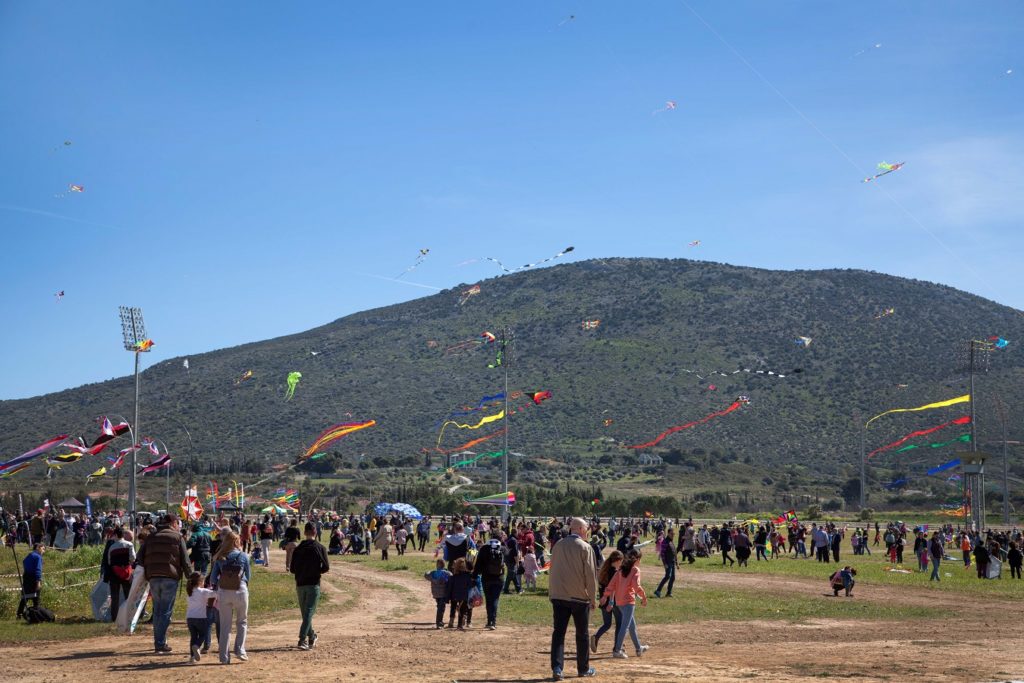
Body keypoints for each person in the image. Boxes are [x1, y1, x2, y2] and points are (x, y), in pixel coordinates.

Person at [548, 517, 597, 680]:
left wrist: (552, 592)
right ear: (582, 530)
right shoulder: (585, 547)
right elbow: (590, 575)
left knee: (558, 633)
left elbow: (552, 569)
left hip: (559, 595)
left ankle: (557, 668)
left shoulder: (558, 546)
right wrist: (593, 597)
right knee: (582, 634)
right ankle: (583, 669)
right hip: (579, 597)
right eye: (586, 529)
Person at [136, 512, 191, 654]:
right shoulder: (178, 537)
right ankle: (160, 643)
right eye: (177, 523)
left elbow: (139, 557)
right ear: (173, 523)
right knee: (165, 612)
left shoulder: (150, 537)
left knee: (158, 610)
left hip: (153, 577)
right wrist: (191, 578)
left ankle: (159, 642)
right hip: (170, 576)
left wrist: (146, 570)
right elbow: (185, 560)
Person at [211, 529, 251, 664]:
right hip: (240, 590)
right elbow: (248, 576)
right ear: (236, 541)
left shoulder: (219, 557)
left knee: (225, 626)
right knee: (242, 622)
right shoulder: (243, 556)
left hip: (223, 592)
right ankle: (240, 650)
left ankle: (224, 657)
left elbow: (212, 579)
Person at [603, 548, 649, 659]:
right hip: (628, 602)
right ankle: (617, 650)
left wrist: (605, 595)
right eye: (640, 559)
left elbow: (612, 583)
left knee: (631, 626)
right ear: (637, 559)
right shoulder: (635, 570)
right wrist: (643, 596)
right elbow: (636, 586)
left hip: (619, 602)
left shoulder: (621, 569)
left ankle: (639, 648)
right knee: (625, 626)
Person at [290, 521, 330, 650]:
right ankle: (303, 639)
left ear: (304, 532)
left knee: (306, 613)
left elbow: (292, 569)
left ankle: (311, 637)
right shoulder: (320, 548)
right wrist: (317, 571)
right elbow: (326, 567)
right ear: (315, 532)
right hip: (313, 583)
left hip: (300, 584)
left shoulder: (298, 548)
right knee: (308, 613)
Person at [591, 549, 623, 653]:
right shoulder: (614, 572)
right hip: (612, 602)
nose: (621, 564)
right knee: (620, 623)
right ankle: (617, 647)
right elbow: (613, 588)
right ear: (617, 560)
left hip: (603, 601)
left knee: (607, 624)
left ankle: (596, 636)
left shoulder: (604, 570)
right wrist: (611, 602)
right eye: (621, 561)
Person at [473, 534, 507, 630]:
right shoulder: (503, 548)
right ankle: (494, 622)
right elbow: (508, 557)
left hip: (486, 578)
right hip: (499, 578)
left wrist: (474, 576)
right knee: (495, 599)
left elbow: (478, 564)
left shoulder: (484, 549)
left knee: (489, 599)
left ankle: (489, 621)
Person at [103, 527, 136, 623]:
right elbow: (133, 558)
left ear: (116, 535)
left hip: (114, 574)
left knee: (115, 597)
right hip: (126, 573)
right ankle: (129, 616)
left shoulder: (112, 547)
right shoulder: (129, 544)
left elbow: (109, 561)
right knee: (128, 596)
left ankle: (115, 617)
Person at [185, 572, 217, 663]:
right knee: (203, 634)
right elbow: (215, 594)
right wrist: (213, 588)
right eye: (203, 581)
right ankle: (197, 645)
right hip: (201, 617)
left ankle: (192, 657)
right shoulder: (203, 591)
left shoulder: (189, 592)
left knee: (193, 636)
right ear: (200, 582)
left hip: (190, 618)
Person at [16, 543, 44, 619]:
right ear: (38, 548)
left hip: (26, 577)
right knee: (36, 598)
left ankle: (19, 614)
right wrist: (38, 581)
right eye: (43, 549)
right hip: (34, 578)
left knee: (25, 597)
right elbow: (38, 570)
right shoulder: (38, 557)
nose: (43, 551)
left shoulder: (29, 556)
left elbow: (24, 562)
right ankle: (36, 614)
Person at [445, 557, 472, 630]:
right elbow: (470, 586)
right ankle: (460, 624)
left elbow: (449, 588)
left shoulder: (453, 577)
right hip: (464, 596)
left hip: (454, 595)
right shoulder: (468, 576)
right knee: (462, 610)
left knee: (453, 607)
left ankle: (451, 621)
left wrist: (447, 598)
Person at [425, 559, 452, 629]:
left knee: (439, 606)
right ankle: (439, 622)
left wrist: (429, 571)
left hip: (436, 593)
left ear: (437, 565)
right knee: (441, 608)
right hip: (443, 593)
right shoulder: (446, 573)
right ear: (444, 565)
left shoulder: (433, 573)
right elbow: (451, 576)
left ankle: (440, 621)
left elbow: (426, 575)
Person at [653, 528, 676, 597]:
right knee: (667, 576)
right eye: (672, 534)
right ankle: (658, 590)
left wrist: (676, 562)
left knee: (673, 577)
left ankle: (669, 592)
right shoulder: (665, 542)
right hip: (667, 562)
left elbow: (674, 552)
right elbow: (662, 554)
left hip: (672, 562)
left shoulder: (671, 541)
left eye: (674, 534)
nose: (673, 535)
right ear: (668, 533)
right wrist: (665, 563)